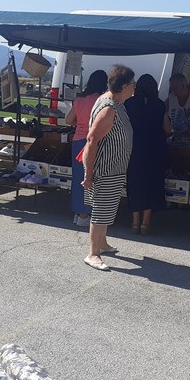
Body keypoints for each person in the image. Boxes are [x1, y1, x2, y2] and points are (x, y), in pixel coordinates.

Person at [81, 65, 136, 271]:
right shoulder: (109, 108)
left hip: (114, 167)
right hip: (105, 169)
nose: (135, 87)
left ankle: (102, 243)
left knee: (107, 209)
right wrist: (88, 174)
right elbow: (92, 140)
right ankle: (93, 253)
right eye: (132, 83)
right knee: (101, 211)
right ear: (124, 86)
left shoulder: (116, 103)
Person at [125, 74, 167, 235]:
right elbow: (167, 128)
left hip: (134, 147)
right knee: (152, 183)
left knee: (135, 183)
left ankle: (135, 222)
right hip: (155, 149)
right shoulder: (160, 105)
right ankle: (145, 223)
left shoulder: (129, 104)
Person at [66, 70, 108, 227]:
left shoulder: (79, 99)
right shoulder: (102, 100)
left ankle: (78, 212)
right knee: (92, 178)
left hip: (78, 141)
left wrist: (79, 123)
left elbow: (68, 120)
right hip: (95, 141)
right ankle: (86, 214)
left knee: (79, 177)